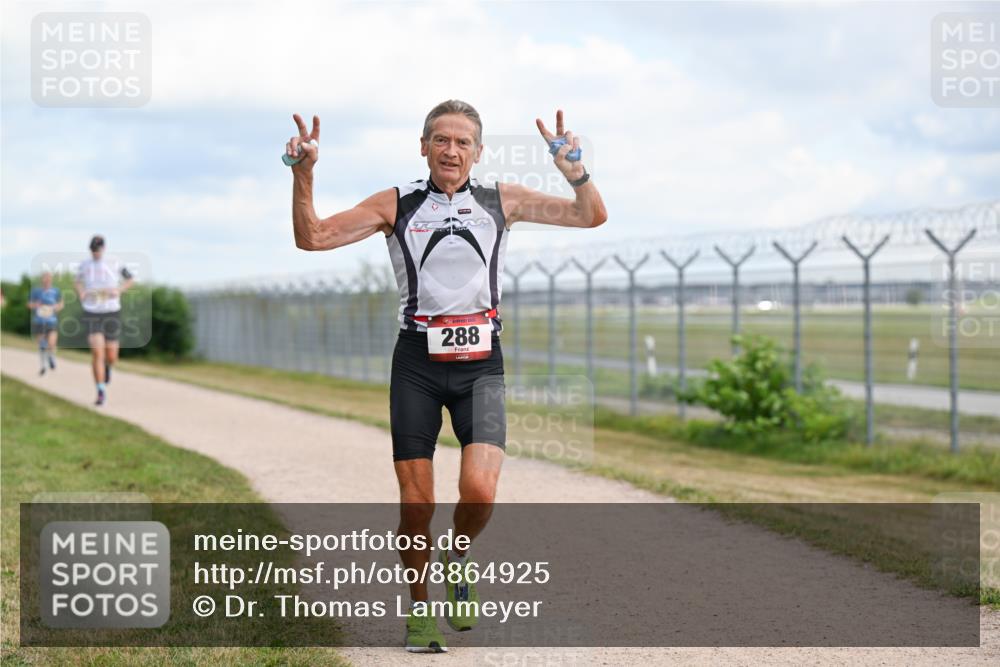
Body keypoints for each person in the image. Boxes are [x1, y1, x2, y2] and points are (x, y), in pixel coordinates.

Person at [287, 100, 607, 653]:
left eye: (462, 142)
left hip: (482, 362)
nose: (451, 150)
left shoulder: (500, 200)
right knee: (417, 504)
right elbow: (313, 237)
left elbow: (590, 216)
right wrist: (304, 175)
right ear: (423, 147)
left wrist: (575, 172)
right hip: (416, 363)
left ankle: (458, 556)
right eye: (441, 140)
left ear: (477, 152)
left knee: (480, 489)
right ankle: (418, 613)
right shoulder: (397, 203)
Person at [75, 235, 133, 406]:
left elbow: (130, 279)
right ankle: (100, 390)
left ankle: (108, 367)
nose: (95, 254)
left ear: (103, 248)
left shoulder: (115, 262)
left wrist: (119, 290)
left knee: (112, 356)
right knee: (97, 352)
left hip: (111, 311)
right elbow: (78, 282)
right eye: (92, 250)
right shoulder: (85, 265)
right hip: (92, 312)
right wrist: (81, 293)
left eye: (97, 250)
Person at [28, 272, 64, 375]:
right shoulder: (36, 291)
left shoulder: (56, 291)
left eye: (48, 279)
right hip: (39, 321)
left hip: (52, 321)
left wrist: (57, 307)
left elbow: (61, 303)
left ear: (51, 280)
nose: (46, 280)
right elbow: (29, 304)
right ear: (41, 280)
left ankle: (51, 357)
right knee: (42, 345)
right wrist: (35, 305)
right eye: (44, 279)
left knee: (52, 343)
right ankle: (43, 366)